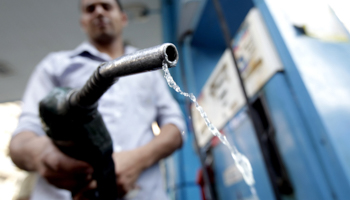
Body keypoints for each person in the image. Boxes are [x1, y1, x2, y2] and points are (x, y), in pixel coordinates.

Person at [9, 0, 186, 199]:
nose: (99, 12)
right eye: (90, 9)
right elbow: (20, 140)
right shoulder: (55, 66)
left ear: (123, 18)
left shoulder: (149, 73)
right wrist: (42, 155)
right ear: (83, 22)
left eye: (106, 6)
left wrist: (137, 160)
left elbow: (175, 127)